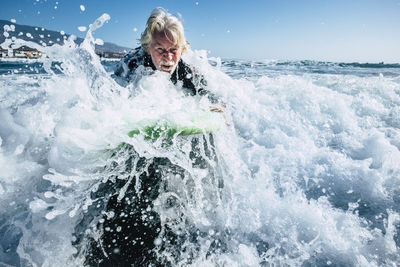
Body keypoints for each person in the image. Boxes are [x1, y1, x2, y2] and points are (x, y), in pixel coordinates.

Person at [74, 8, 225, 266]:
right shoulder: (133, 65)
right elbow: (109, 101)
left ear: (182, 48)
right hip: (131, 137)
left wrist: (216, 108)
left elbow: (213, 100)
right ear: (148, 47)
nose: (168, 58)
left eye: (173, 50)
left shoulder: (187, 72)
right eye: (160, 50)